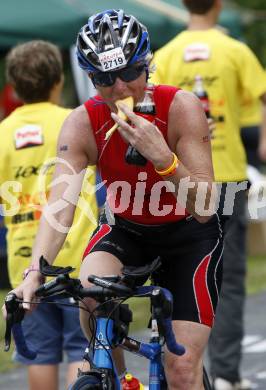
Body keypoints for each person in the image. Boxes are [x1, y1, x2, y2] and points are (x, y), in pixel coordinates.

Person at [3, 10, 225, 390]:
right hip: (127, 230)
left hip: (190, 236)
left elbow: (204, 207)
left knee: (182, 370)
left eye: (128, 73)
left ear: (147, 66)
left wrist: (163, 159)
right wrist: (34, 272)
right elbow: (60, 207)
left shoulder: (181, 107)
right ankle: (117, 378)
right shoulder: (82, 122)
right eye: (104, 79)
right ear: (90, 78)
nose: (119, 88)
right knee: (90, 288)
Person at [150, 1, 266, 389]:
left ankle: (177, 369)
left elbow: (149, 114)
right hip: (227, 177)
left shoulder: (164, 56)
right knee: (229, 280)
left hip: (181, 181)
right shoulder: (235, 50)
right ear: (217, 4)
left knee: (179, 275)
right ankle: (228, 376)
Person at [0, 40, 98, 390]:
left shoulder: (3, 133)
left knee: (39, 354)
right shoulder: (74, 122)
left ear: (13, 85)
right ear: (58, 81)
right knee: (81, 349)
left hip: (24, 264)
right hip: (75, 259)